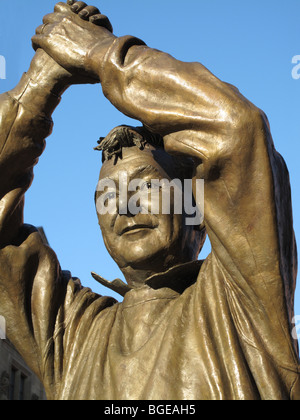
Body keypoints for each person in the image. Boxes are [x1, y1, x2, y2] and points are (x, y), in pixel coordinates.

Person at [0, 1, 299, 400]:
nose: (124, 206)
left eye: (146, 187)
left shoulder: (241, 303)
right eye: (108, 196)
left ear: (197, 211)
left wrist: (100, 54)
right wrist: (42, 80)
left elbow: (237, 129)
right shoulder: (72, 335)